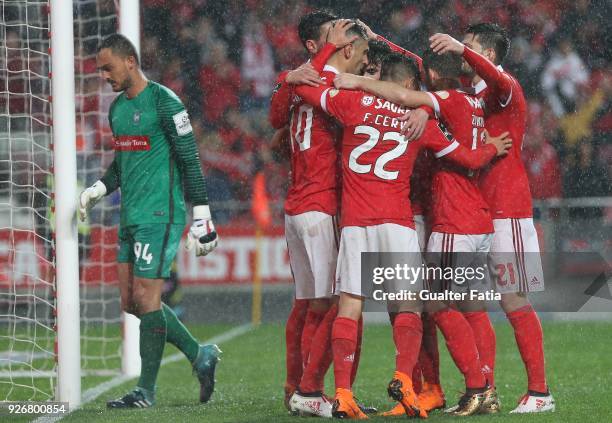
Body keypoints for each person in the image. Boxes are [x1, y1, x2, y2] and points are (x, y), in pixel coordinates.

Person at [296, 51, 511, 419]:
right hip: (397, 221)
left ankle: (343, 394)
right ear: (410, 86)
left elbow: (308, 90)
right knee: (411, 304)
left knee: (350, 305)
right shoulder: (420, 122)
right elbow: (468, 159)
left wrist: (304, 71)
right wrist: (493, 146)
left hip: (355, 221)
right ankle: (405, 381)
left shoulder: (352, 103)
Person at [79, 34, 220, 408]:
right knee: (131, 302)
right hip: (130, 216)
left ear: (130, 61)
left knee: (147, 296)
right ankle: (199, 353)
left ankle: (145, 390)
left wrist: (202, 213)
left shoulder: (164, 101)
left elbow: (190, 158)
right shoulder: (116, 111)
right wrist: (97, 188)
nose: (104, 76)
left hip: (162, 214)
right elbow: (120, 165)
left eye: (108, 68)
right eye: (100, 69)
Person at [430, 23, 556, 413]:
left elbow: (494, 76)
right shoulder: (470, 96)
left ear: (487, 52)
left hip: (508, 210)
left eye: (467, 47)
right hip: (476, 215)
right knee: (470, 302)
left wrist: (462, 50)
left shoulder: (505, 89)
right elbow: (431, 69)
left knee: (513, 299)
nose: (459, 52)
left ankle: (539, 392)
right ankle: (485, 391)